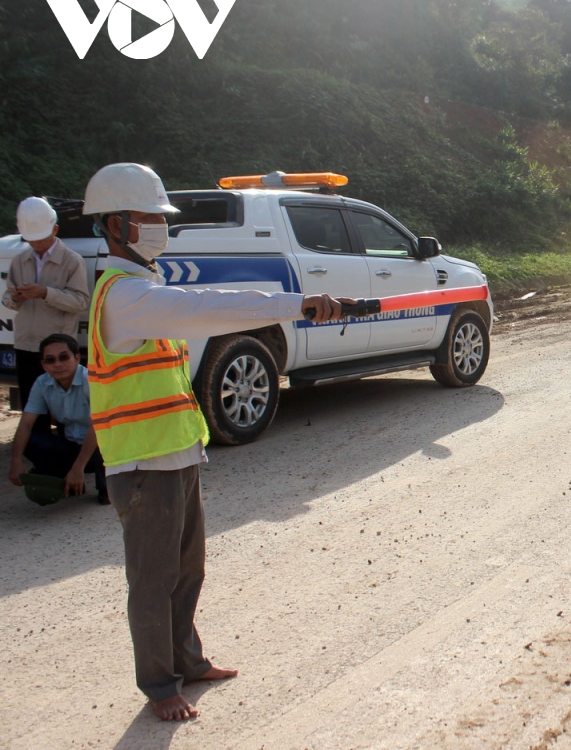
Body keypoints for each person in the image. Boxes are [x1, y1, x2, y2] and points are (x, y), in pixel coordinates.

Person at [83, 162, 349, 722]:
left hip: (175, 451)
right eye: (149, 217)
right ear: (114, 226)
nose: (160, 225)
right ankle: (159, 686)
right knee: (153, 580)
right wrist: (291, 303)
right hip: (141, 462)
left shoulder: (146, 286)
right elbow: (208, 308)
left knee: (187, 569)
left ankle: (188, 659)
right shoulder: (124, 296)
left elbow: (200, 304)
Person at [2, 197, 89, 418]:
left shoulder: (72, 261)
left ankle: (67, 448)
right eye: (31, 239)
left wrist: (45, 293)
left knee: (64, 410)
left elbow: (80, 302)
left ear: (55, 229)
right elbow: (7, 296)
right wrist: (15, 298)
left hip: (58, 348)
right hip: (26, 344)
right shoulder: (20, 260)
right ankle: (34, 449)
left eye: (40, 238)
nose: (37, 244)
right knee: (32, 409)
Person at [8, 333, 106, 502]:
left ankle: (104, 485)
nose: (58, 364)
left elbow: (97, 426)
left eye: (63, 357)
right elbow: (25, 424)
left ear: (76, 358)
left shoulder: (91, 380)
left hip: (100, 446)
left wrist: (78, 467)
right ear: (43, 365)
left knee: (104, 453)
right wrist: (16, 461)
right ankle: (63, 479)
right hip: (71, 444)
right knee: (32, 441)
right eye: (50, 360)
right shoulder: (42, 383)